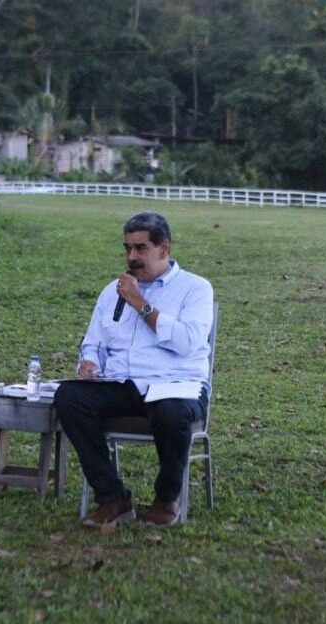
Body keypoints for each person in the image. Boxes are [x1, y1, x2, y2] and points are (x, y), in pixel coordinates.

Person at [54, 211, 214, 528]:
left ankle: (167, 498)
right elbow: (93, 341)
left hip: (176, 385)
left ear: (164, 249)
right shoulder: (111, 291)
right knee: (69, 397)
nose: (131, 257)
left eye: (141, 248)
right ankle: (113, 498)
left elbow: (186, 343)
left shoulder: (195, 288)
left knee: (170, 412)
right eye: (127, 248)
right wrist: (89, 362)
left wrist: (140, 303)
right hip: (123, 384)